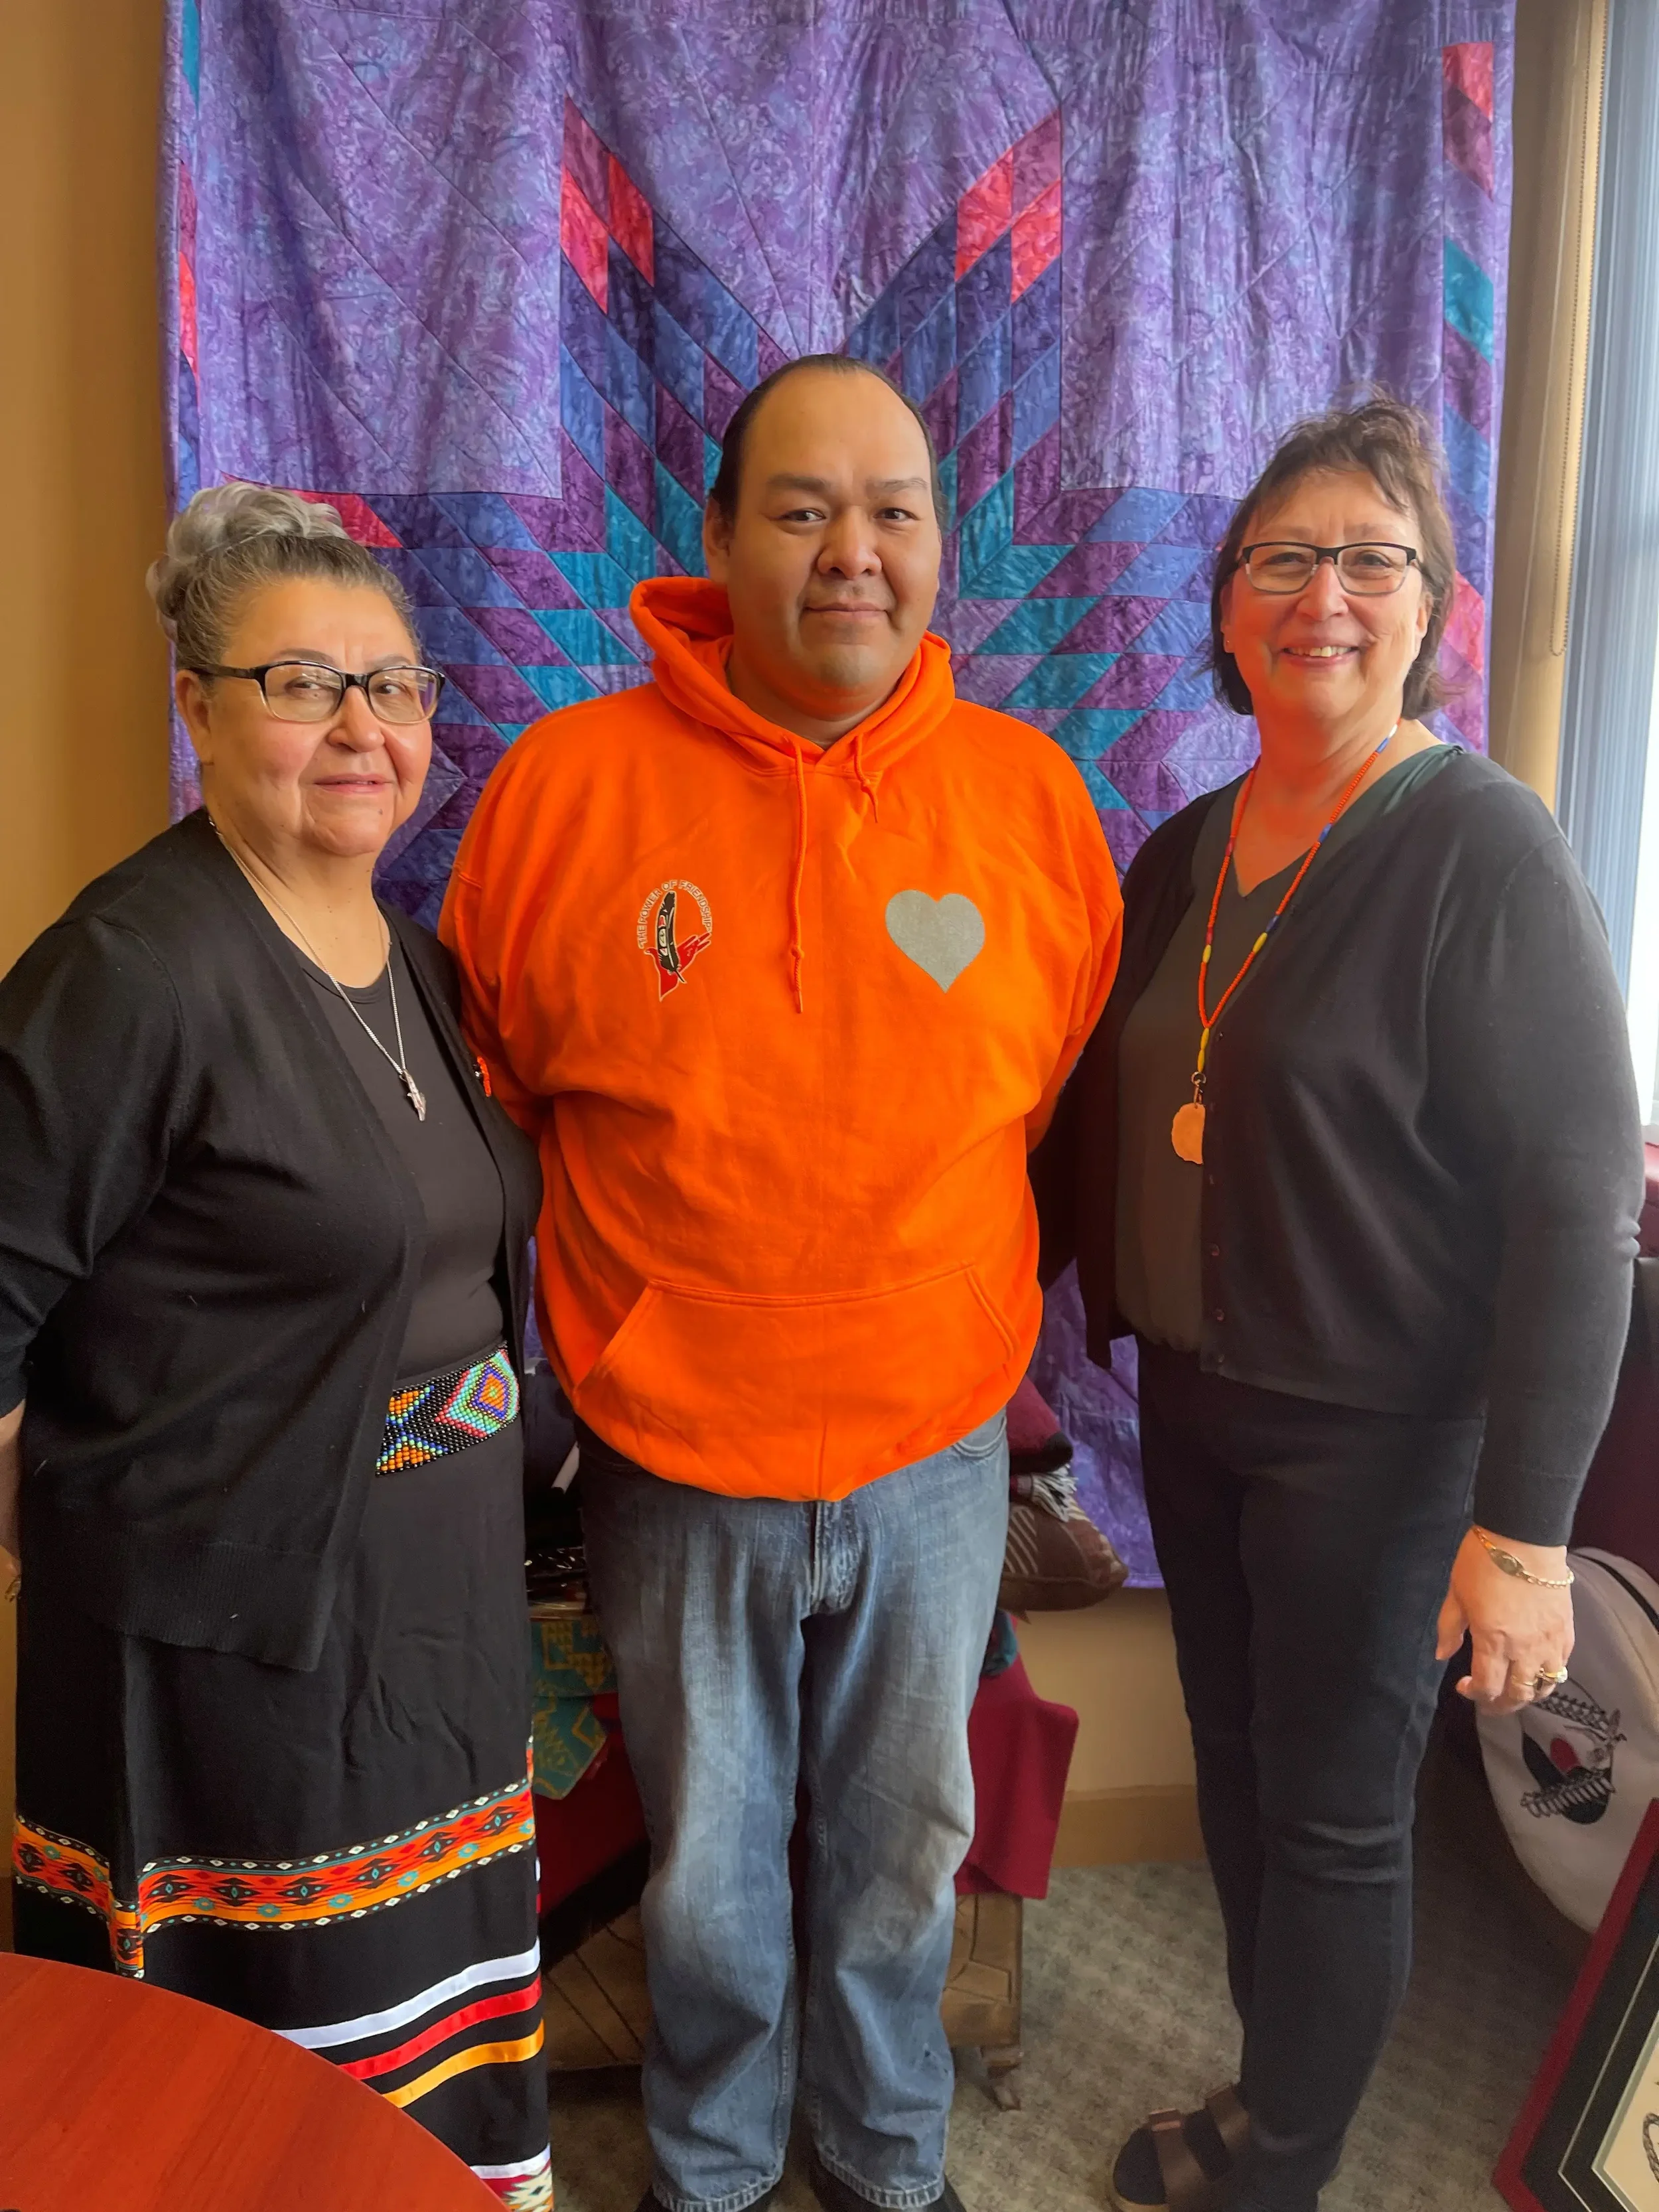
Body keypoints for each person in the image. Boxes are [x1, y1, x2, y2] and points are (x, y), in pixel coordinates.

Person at [442, 354, 1121, 2212]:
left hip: (931, 1444)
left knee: (908, 1848)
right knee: (715, 1861)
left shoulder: (1032, 803)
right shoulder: (562, 793)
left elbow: (1046, 1098)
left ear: (939, 546)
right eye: (804, 507)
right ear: (719, 536)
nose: (852, 551)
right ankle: (716, 2164)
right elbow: (489, 1106)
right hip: (672, 1450)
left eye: (894, 509)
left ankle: (889, 2150)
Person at [1034, 397, 1646, 2212]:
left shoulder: (1483, 847)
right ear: (1225, 610)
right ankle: (1267, 2082)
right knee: (1239, 1775)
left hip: (1382, 1437)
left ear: (1431, 604)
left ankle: (1280, 2165)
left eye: (1370, 557)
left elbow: (1576, 1197)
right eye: (1282, 558)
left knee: (1329, 1809)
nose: (1324, 593)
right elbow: (1088, 1113)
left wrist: (1523, 1533)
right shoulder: (1180, 852)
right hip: (1203, 1411)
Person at [0, 486, 551, 2212]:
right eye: (303, 681)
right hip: (233, 1648)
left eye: (391, 687)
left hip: (431, 1631)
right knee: (259, 2099)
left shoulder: (412, 954)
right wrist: (97, 1518)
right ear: (198, 704)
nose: (361, 729)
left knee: (421, 2063)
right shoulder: (130, 968)